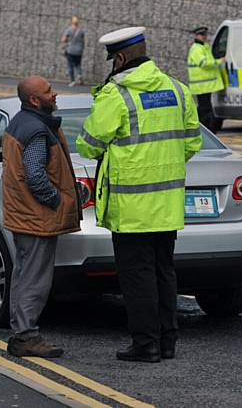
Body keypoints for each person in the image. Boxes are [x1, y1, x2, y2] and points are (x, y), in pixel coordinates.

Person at [76, 27, 202, 362]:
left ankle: (146, 344)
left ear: (118, 59)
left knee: (137, 276)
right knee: (164, 270)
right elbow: (192, 141)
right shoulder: (177, 89)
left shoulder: (117, 95)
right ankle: (167, 341)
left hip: (131, 207)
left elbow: (88, 145)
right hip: (168, 204)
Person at [2, 76, 82, 358]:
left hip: (24, 216)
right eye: (48, 91)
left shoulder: (21, 121)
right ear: (34, 100)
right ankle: (26, 336)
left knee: (24, 275)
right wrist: (57, 201)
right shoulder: (37, 130)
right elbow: (35, 175)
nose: (54, 93)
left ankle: (20, 334)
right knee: (35, 279)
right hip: (36, 217)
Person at [187, 26, 225, 131]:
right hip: (201, 86)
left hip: (206, 85)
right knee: (205, 109)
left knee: (205, 108)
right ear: (196, 36)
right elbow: (203, 63)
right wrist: (219, 61)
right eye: (202, 35)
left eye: (205, 35)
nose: (204, 37)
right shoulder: (196, 49)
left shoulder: (204, 47)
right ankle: (206, 129)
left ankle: (205, 128)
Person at [61, 17, 85, 87]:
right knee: (78, 64)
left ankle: (72, 81)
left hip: (70, 50)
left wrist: (67, 41)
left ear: (71, 22)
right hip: (79, 50)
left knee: (70, 65)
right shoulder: (81, 31)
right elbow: (83, 41)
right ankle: (79, 75)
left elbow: (63, 40)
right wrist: (82, 48)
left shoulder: (69, 30)